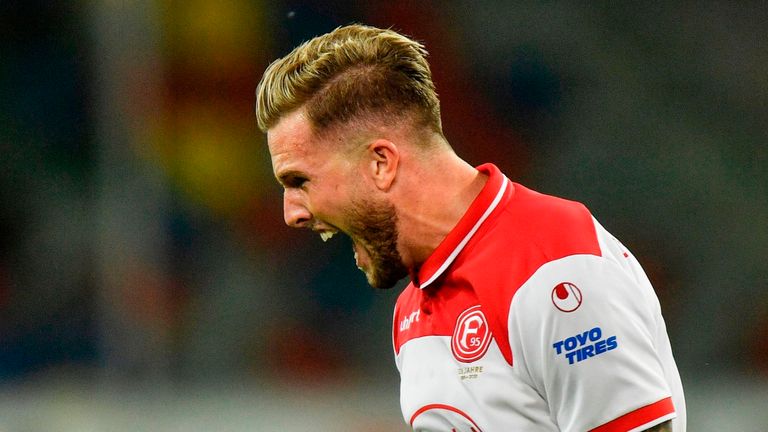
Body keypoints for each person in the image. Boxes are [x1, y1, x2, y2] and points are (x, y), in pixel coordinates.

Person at [255, 24, 686, 432]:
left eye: (299, 181)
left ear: (380, 163)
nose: (291, 213)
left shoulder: (552, 267)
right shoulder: (412, 309)